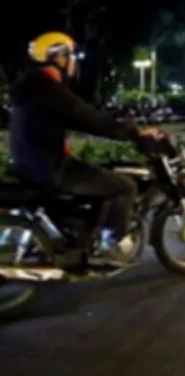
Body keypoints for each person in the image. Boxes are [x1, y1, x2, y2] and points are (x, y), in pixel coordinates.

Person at [9, 32, 162, 265]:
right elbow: (90, 119)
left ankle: (83, 235)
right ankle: (110, 245)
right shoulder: (51, 91)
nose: (74, 62)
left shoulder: (31, 87)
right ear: (58, 58)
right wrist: (134, 133)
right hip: (50, 168)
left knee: (99, 175)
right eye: (71, 56)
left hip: (31, 164)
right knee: (125, 186)